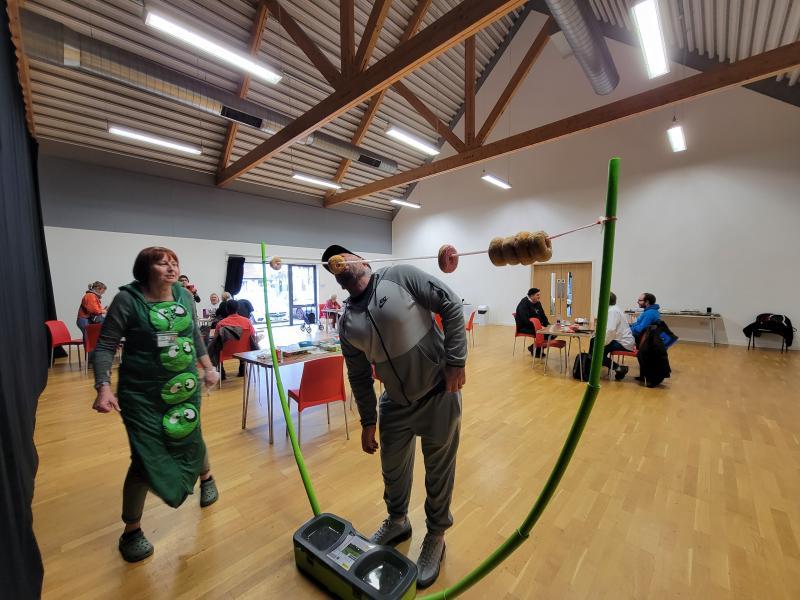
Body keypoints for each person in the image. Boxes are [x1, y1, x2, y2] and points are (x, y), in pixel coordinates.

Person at [323, 244, 466, 589]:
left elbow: (450, 303)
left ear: (363, 260)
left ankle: (436, 536)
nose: (340, 265)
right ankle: (398, 520)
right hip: (395, 403)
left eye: (344, 256)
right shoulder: (347, 322)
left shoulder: (401, 276)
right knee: (393, 469)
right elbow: (358, 376)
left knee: (439, 470)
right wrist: (367, 420)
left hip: (437, 393)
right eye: (333, 266)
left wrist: (456, 361)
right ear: (337, 279)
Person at [91, 247, 219, 563]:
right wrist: (103, 387)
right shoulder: (127, 300)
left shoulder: (183, 295)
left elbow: (193, 334)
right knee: (144, 456)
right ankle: (131, 531)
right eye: (163, 263)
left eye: (175, 262)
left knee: (190, 435)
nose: (171, 267)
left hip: (183, 386)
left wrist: (208, 367)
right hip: (142, 394)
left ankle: (206, 478)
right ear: (145, 269)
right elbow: (105, 345)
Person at [589, 292, 635, 380]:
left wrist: (601, 343)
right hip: (620, 340)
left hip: (622, 343)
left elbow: (610, 330)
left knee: (596, 351)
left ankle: (618, 368)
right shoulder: (614, 309)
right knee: (594, 343)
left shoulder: (613, 311)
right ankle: (594, 367)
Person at [213, 299, 257, 379]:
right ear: (238, 308)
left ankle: (221, 371)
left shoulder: (221, 323)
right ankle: (242, 368)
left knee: (216, 346)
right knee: (243, 343)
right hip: (244, 351)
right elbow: (252, 336)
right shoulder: (247, 322)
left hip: (225, 352)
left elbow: (216, 338)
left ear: (227, 309)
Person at [514, 287, 550, 357]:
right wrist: (539, 327)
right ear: (531, 295)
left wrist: (548, 325)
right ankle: (536, 350)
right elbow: (525, 320)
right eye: (537, 295)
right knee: (545, 334)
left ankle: (534, 347)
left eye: (539, 295)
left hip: (537, 326)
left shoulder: (538, 303)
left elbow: (543, 316)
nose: (539, 297)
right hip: (525, 327)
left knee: (552, 333)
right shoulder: (524, 304)